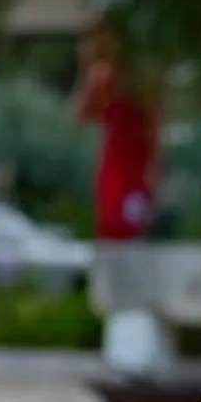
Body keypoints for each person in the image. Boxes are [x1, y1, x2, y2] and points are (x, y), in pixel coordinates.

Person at [75, 20, 161, 242]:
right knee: (117, 231)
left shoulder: (136, 81)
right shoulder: (104, 78)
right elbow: (83, 116)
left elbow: (154, 130)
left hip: (132, 173)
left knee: (127, 231)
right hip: (119, 170)